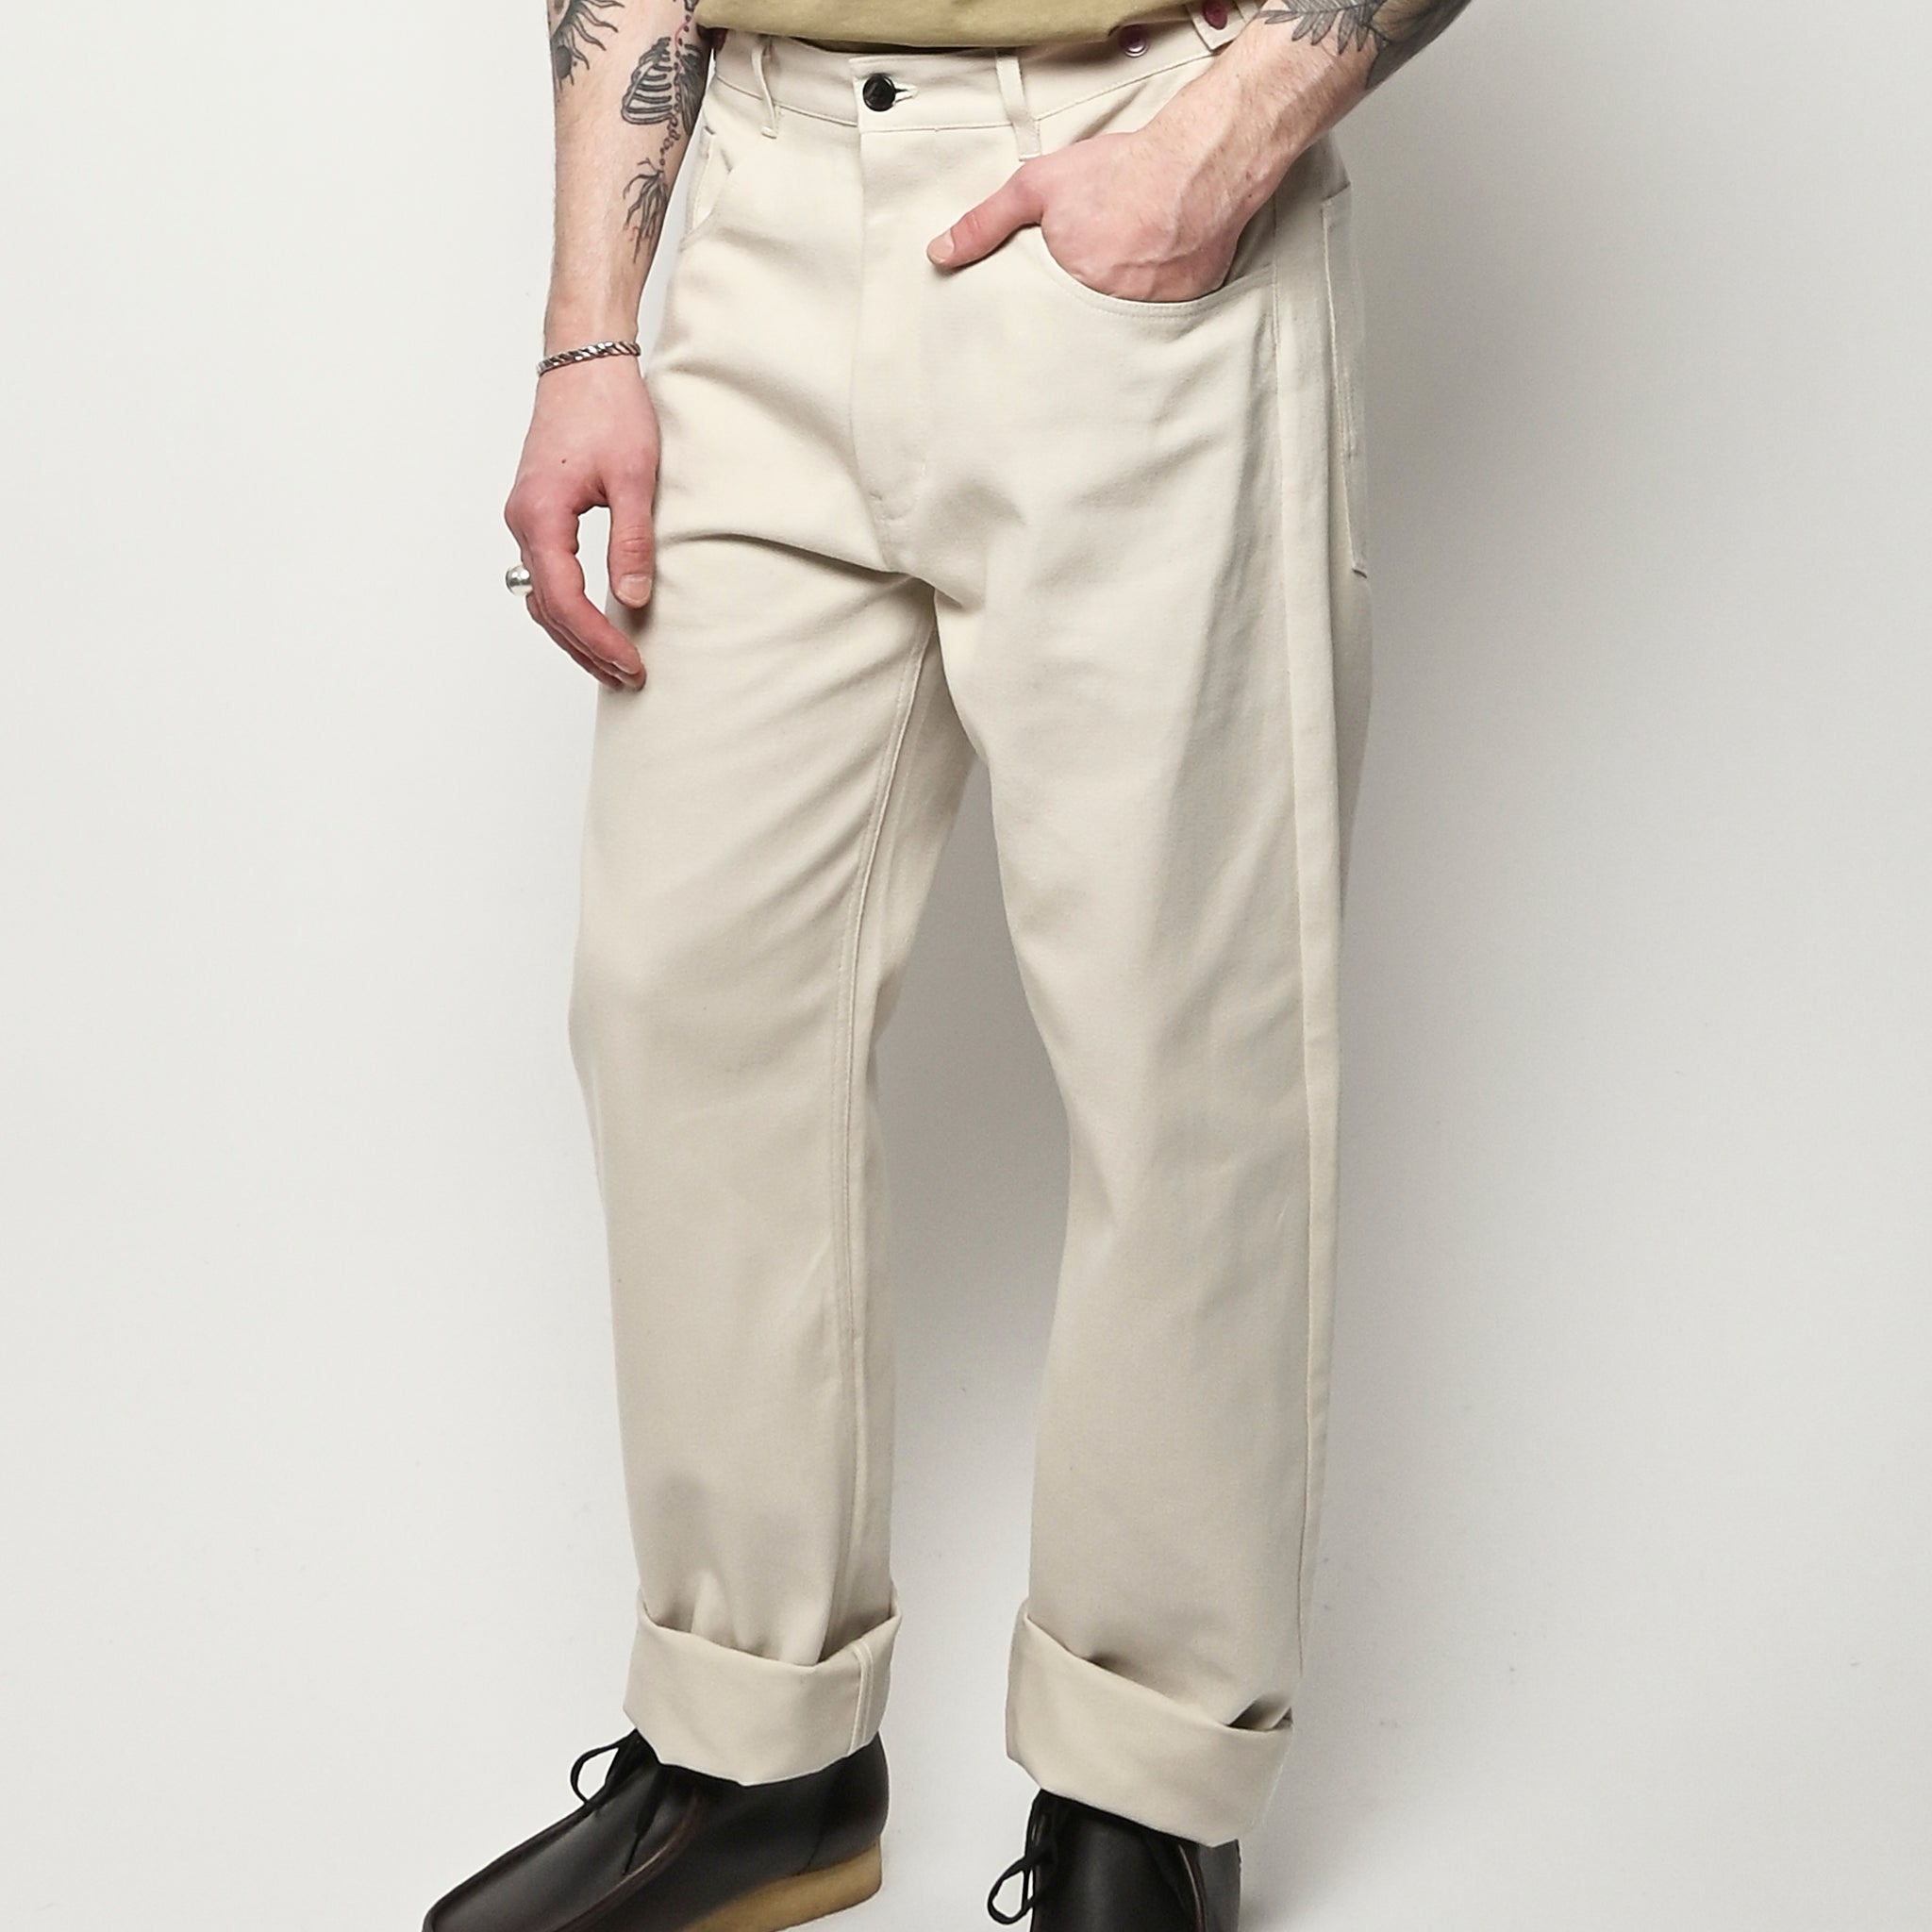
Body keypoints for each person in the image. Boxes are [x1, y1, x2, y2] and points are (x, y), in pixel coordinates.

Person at [432, 3, 1471, 1928]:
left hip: (1130, 184)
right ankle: (756, 1753)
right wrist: (589, 333)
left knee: (1186, 1042)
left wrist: (1232, 130)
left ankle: (1145, 1792)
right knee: (687, 999)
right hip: (760, 206)